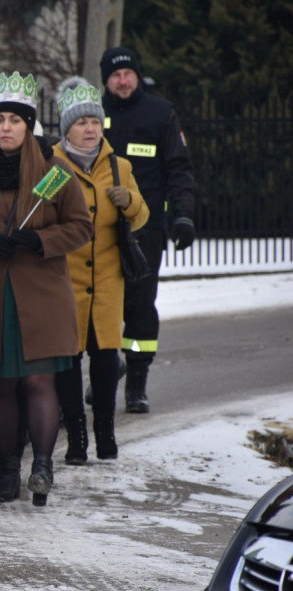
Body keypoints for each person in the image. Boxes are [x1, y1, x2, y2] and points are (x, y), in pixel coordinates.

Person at [0, 71, 92, 506]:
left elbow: (80, 227)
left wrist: (40, 241)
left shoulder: (54, 172)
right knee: (1, 385)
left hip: (41, 296)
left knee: (39, 382)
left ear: (29, 126)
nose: (5, 127)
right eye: (0, 119)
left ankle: (42, 467)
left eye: (15, 120)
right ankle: (7, 468)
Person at [52, 77, 149, 463]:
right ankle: (76, 439)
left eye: (95, 121)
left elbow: (140, 218)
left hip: (108, 279)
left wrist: (129, 202)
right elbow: (37, 217)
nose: (90, 129)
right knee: (69, 362)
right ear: (67, 129)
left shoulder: (119, 165)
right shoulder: (53, 165)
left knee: (107, 359)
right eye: (81, 123)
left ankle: (105, 433)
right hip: (65, 281)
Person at [100, 46, 197, 414]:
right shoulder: (94, 114)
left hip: (146, 229)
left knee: (140, 306)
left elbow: (178, 168)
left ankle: (137, 380)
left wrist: (183, 216)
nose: (123, 80)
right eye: (115, 75)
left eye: (128, 73)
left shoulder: (160, 112)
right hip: (99, 228)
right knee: (102, 304)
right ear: (105, 80)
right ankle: (106, 369)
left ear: (137, 76)